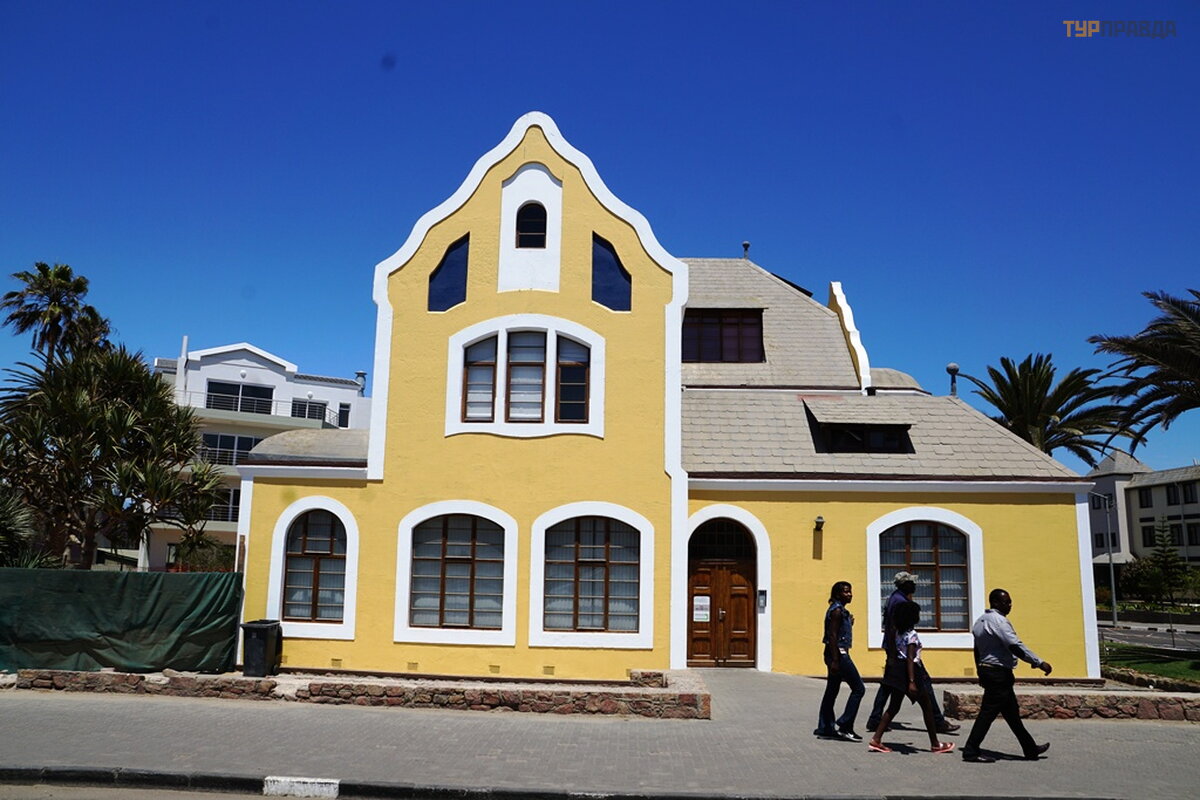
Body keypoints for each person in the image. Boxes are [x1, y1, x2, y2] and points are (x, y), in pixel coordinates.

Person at [961, 589, 1052, 763]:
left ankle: (1030, 749)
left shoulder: (980, 621)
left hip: (989, 670)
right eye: (1006, 602)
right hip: (998, 673)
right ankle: (971, 751)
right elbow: (1014, 646)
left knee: (1012, 714)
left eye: (1010, 602)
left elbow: (977, 649)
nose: (1010, 605)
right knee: (987, 713)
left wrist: (980, 670)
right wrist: (1038, 662)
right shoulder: (999, 621)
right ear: (995, 602)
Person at [865, 572, 959, 734]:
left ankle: (875, 719)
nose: (915, 585)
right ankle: (937, 721)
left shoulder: (895, 597)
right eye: (912, 583)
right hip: (901, 650)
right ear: (905, 585)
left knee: (888, 685)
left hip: (895, 648)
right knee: (924, 682)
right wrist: (893, 654)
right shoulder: (900, 602)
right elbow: (893, 628)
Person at [867, 601, 955, 754]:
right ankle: (935, 744)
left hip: (897, 672)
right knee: (927, 706)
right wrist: (912, 681)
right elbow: (910, 658)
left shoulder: (897, 633)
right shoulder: (912, 635)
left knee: (893, 707)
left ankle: (876, 739)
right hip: (911, 673)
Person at [814, 581, 866, 741]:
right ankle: (845, 726)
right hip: (838, 655)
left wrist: (849, 623)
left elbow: (838, 632)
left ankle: (825, 727)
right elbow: (832, 636)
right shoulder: (837, 611)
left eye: (850, 591)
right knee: (859, 689)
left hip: (834, 654)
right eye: (845, 592)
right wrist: (836, 661)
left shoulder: (841, 611)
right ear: (837, 594)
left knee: (832, 690)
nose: (850, 594)